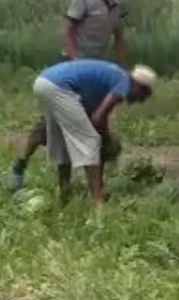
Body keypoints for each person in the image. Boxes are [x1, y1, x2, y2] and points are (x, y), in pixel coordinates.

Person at [6, 0, 130, 192]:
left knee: (96, 126)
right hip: (71, 70)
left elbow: (119, 38)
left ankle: (94, 186)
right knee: (48, 127)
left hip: (95, 74)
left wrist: (121, 68)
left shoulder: (118, 4)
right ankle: (20, 165)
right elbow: (68, 28)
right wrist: (74, 58)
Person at [32, 59, 155, 207]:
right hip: (58, 87)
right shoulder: (124, 83)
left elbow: (97, 116)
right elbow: (98, 117)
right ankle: (99, 202)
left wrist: (103, 134)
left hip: (44, 81)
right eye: (141, 96)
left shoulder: (116, 75)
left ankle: (64, 194)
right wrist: (105, 138)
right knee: (90, 141)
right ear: (139, 86)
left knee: (64, 143)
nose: (136, 101)